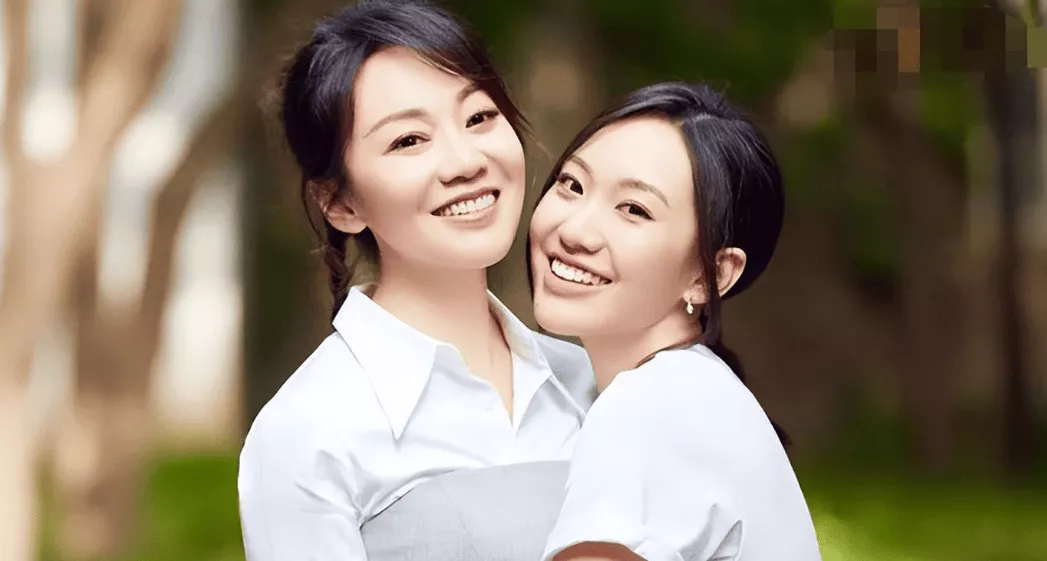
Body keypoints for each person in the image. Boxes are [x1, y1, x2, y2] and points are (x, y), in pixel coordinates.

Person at [236, 2, 594, 559]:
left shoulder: (592, 385)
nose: (465, 161)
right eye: (409, 140)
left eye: (478, 117)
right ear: (340, 202)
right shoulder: (308, 432)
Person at [528, 82, 822, 560]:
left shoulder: (651, 408)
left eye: (634, 210)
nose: (574, 230)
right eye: (573, 185)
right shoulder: (692, 392)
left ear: (711, 276)